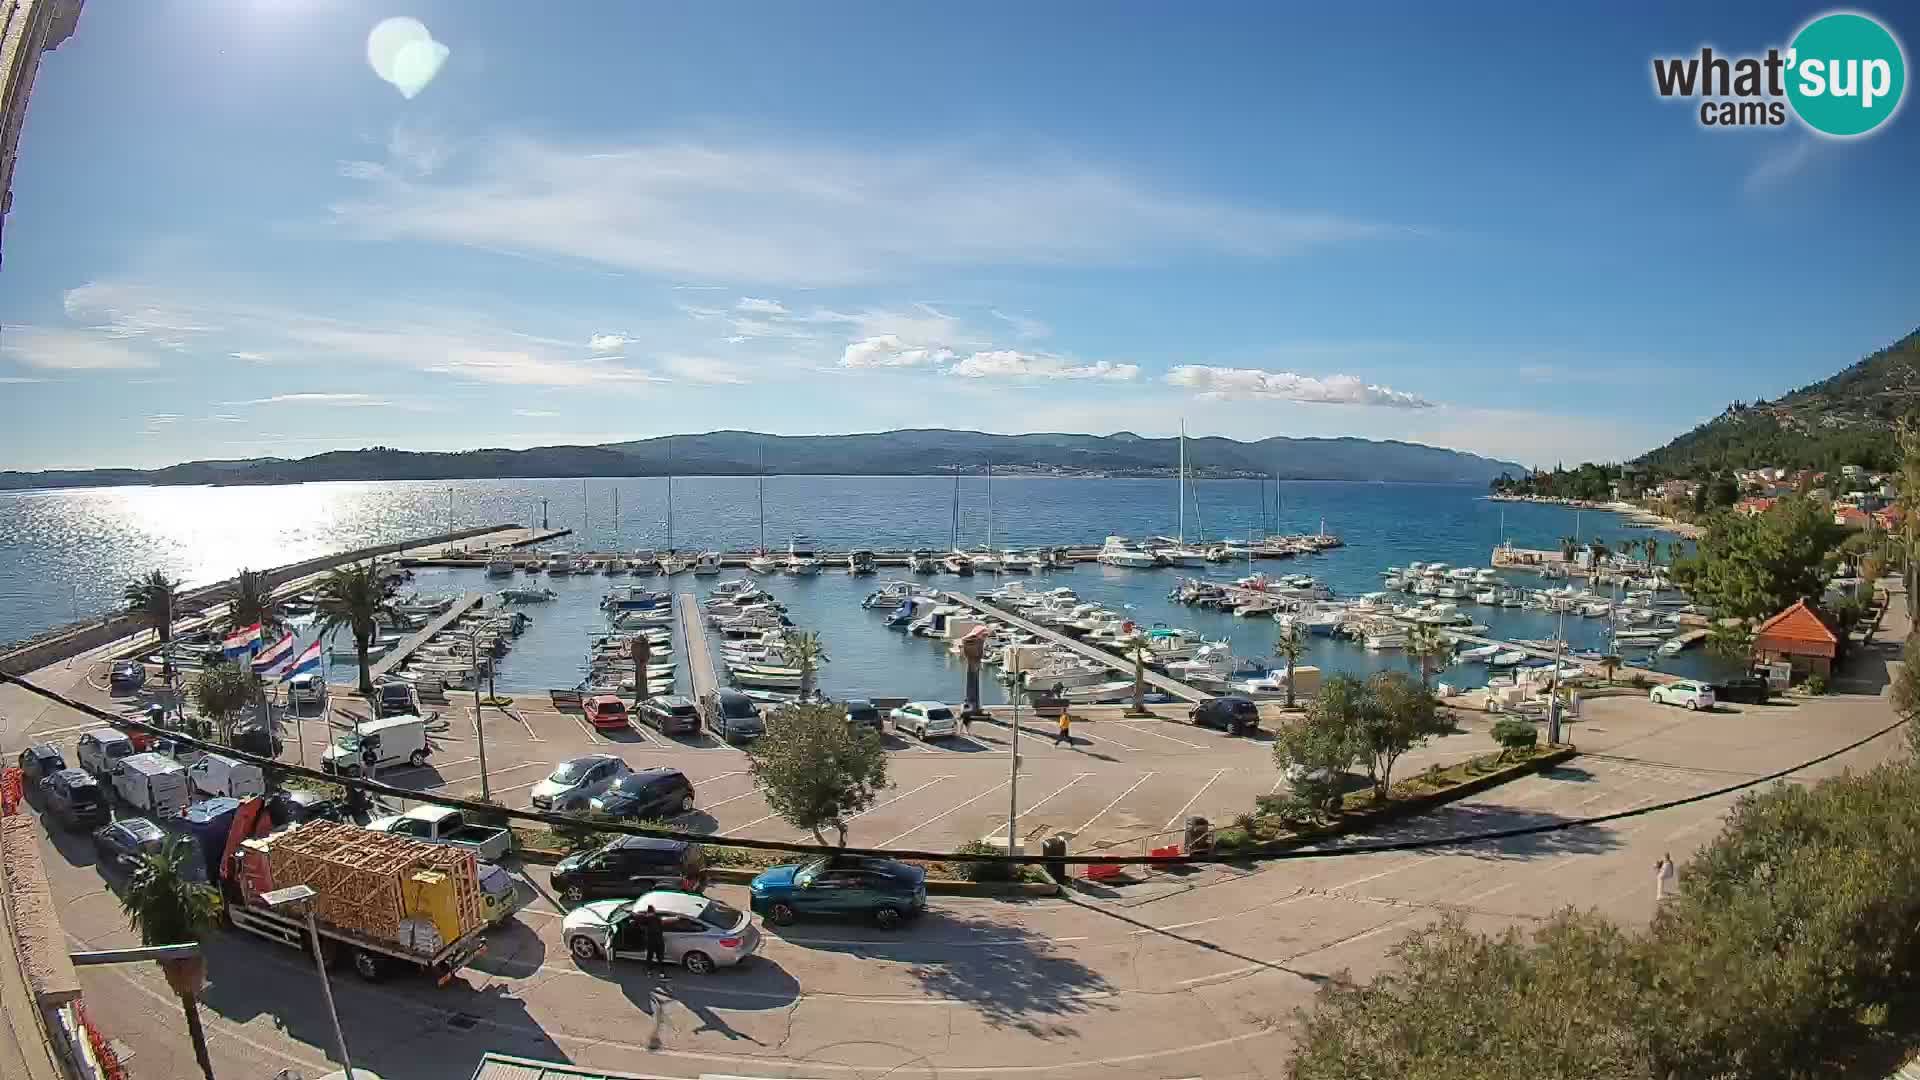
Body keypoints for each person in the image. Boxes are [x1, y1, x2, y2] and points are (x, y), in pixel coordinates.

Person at [640, 904, 669, 975]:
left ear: (648, 912)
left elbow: (640, 925)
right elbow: (662, 928)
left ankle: (649, 971)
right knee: (660, 957)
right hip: (659, 941)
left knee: (649, 956)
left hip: (651, 941)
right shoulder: (658, 919)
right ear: (654, 911)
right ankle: (661, 972)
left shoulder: (645, 919)